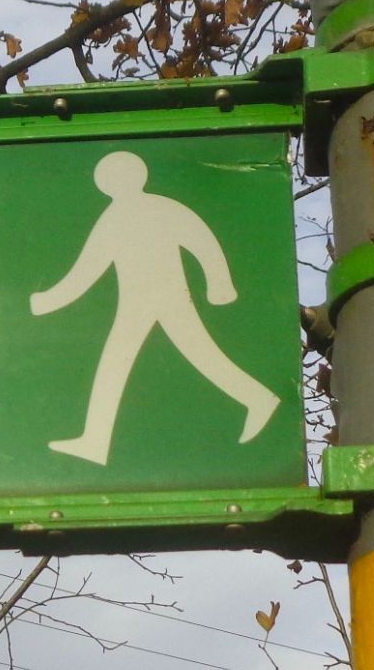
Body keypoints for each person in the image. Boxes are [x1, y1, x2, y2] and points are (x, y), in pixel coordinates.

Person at [30, 151, 278, 464]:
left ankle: (258, 399)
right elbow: (87, 270)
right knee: (126, 363)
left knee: (191, 357)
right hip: (138, 303)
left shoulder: (150, 211)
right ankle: (94, 440)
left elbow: (201, 241)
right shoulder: (120, 217)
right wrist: (49, 300)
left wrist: (220, 284)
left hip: (167, 298)